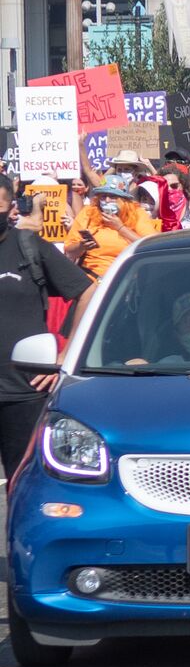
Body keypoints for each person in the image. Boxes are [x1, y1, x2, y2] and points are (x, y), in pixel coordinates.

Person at [0, 174, 95, 481]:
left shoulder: (28, 246)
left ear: (11, 208)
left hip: (22, 393)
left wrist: (64, 355)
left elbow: (87, 291)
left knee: (22, 483)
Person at [64, 176, 159, 278]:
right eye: (103, 196)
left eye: (113, 196)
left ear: (124, 200)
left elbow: (151, 246)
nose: (107, 200)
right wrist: (82, 246)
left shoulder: (137, 214)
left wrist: (120, 228)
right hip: (91, 276)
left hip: (125, 278)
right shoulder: (88, 212)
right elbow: (69, 253)